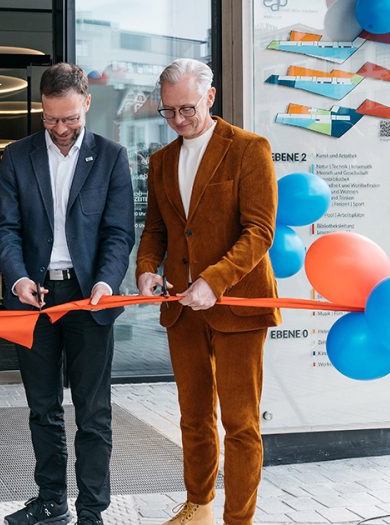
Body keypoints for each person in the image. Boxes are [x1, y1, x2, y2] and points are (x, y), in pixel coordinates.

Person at [136, 58, 280, 525]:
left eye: (188, 110)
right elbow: (155, 229)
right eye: (169, 111)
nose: (178, 120)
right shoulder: (160, 160)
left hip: (237, 306)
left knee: (241, 425)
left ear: (211, 97)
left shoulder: (249, 149)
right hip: (182, 309)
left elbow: (260, 231)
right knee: (193, 418)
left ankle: (239, 520)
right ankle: (197, 506)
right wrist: (144, 270)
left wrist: (214, 281)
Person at [0, 62, 134, 525]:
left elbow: (118, 233)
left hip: (88, 296)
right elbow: (6, 229)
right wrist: (16, 278)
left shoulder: (112, 157)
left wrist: (106, 282)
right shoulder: (17, 156)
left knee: (93, 412)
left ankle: (91, 510)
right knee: (42, 407)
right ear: (41, 109)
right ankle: (51, 500)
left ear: (86, 104)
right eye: (51, 119)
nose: (60, 129)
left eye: (70, 118)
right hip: (33, 296)